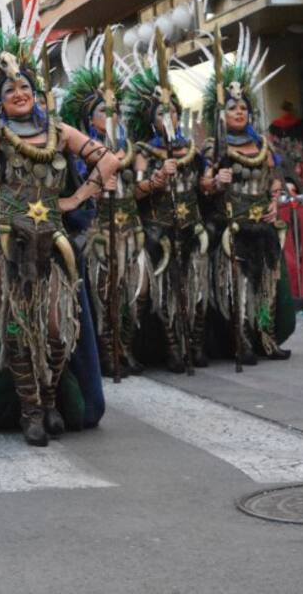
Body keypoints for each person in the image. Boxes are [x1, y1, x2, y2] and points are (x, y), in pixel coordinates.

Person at [0, 26, 120, 446]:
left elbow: (109, 162)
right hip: (5, 240)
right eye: (10, 89)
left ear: (37, 94)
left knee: (53, 329)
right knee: (15, 326)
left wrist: (76, 199)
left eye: (25, 87)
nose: (19, 92)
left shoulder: (59, 132)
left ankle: (50, 400)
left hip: (52, 240)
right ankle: (29, 410)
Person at [58, 34, 150, 376]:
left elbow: (139, 191)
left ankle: (126, 347)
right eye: (103, 111)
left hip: (130, 227)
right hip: (95, 231)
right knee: (103, 293)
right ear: (89, 116)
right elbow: (74, 188)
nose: (110, 115)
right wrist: (96, 189)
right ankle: (108, 353)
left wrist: (149, 182)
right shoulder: (80, 151)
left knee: (138, 291)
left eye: (114, 110)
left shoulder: (131, 147)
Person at [200, 28, 290, 364]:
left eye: (243, 108)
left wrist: (274, 202)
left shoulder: (263, 144)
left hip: (262, 226)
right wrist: (216, 180)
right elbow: (203, 185)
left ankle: (266, 338)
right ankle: (241, 341)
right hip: (232, 228)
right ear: (221, 114)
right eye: (232, 108)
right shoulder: (215, 146)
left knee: (265, 287)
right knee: (237, 289)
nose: (239, 112)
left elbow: (274, 178)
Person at [124, 57, 211, 371]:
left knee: (197, 288)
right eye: (162, 113)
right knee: (163, 293)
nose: (169, 116)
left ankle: (196, 346)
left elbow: (204, 185)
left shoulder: (193, 150)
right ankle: (173, 349)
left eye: (172, 110)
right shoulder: (143, 152)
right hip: (158, 233)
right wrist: (156, 180)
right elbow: (135, 191)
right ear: (152, 119)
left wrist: (215, 182)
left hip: (192, 229)